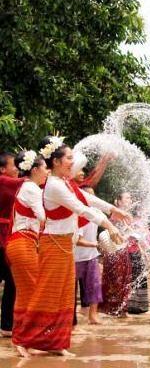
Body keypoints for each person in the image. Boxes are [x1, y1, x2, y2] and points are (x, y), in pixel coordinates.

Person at [16, 136, 129, 356]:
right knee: (46, 294)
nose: (72, 161)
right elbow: (80, 208)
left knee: (64, 295)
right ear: (56, 162)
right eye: (69, 158)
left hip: (65, 246)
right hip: (53, 245)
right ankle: (23, 339)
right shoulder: (55, 186)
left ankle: (56, 342)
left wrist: (113, 211)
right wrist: (108, 224)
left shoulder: (66, 183)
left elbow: (88, 200)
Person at [4, 151, 47, 357]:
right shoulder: (31, 188)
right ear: (35, 169)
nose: (47, 171)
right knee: (31, 294)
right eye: (44, 168)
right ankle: (23, 340)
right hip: (23, 243)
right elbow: (42, 216)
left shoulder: (28, 187)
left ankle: (22, 340)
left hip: (21, 243)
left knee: (26, 293)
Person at [0, 151, 24, 337]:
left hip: (7, 237)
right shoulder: (3, 181)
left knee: (12, 281)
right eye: (13, 165)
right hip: (3, 237)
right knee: (11, 281)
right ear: (2, 169)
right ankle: (6, 325)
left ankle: (7, 325)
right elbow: (26, 182)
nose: (17, 168)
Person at [100, 191, 135, 317]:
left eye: (130, 198)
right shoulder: (115, 216)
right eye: (127, 198)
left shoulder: (128, 216)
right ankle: (114, 309)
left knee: (124, 280)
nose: (130, 200)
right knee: (115, 280)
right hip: (114, 251)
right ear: (118, 202)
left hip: (123, 252)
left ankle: (120, 309)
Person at [74, 186, 104, 325]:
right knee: (70, 291)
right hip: (76, 257)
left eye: (93, 196)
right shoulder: (78, 215)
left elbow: (109, 222)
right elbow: (77, 240)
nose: (92, 199)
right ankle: (70, 320)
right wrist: (95, 244)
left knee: (95, 285)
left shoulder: (96, 212)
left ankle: (93, 315)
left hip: (91, 256)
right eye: (88, 196)